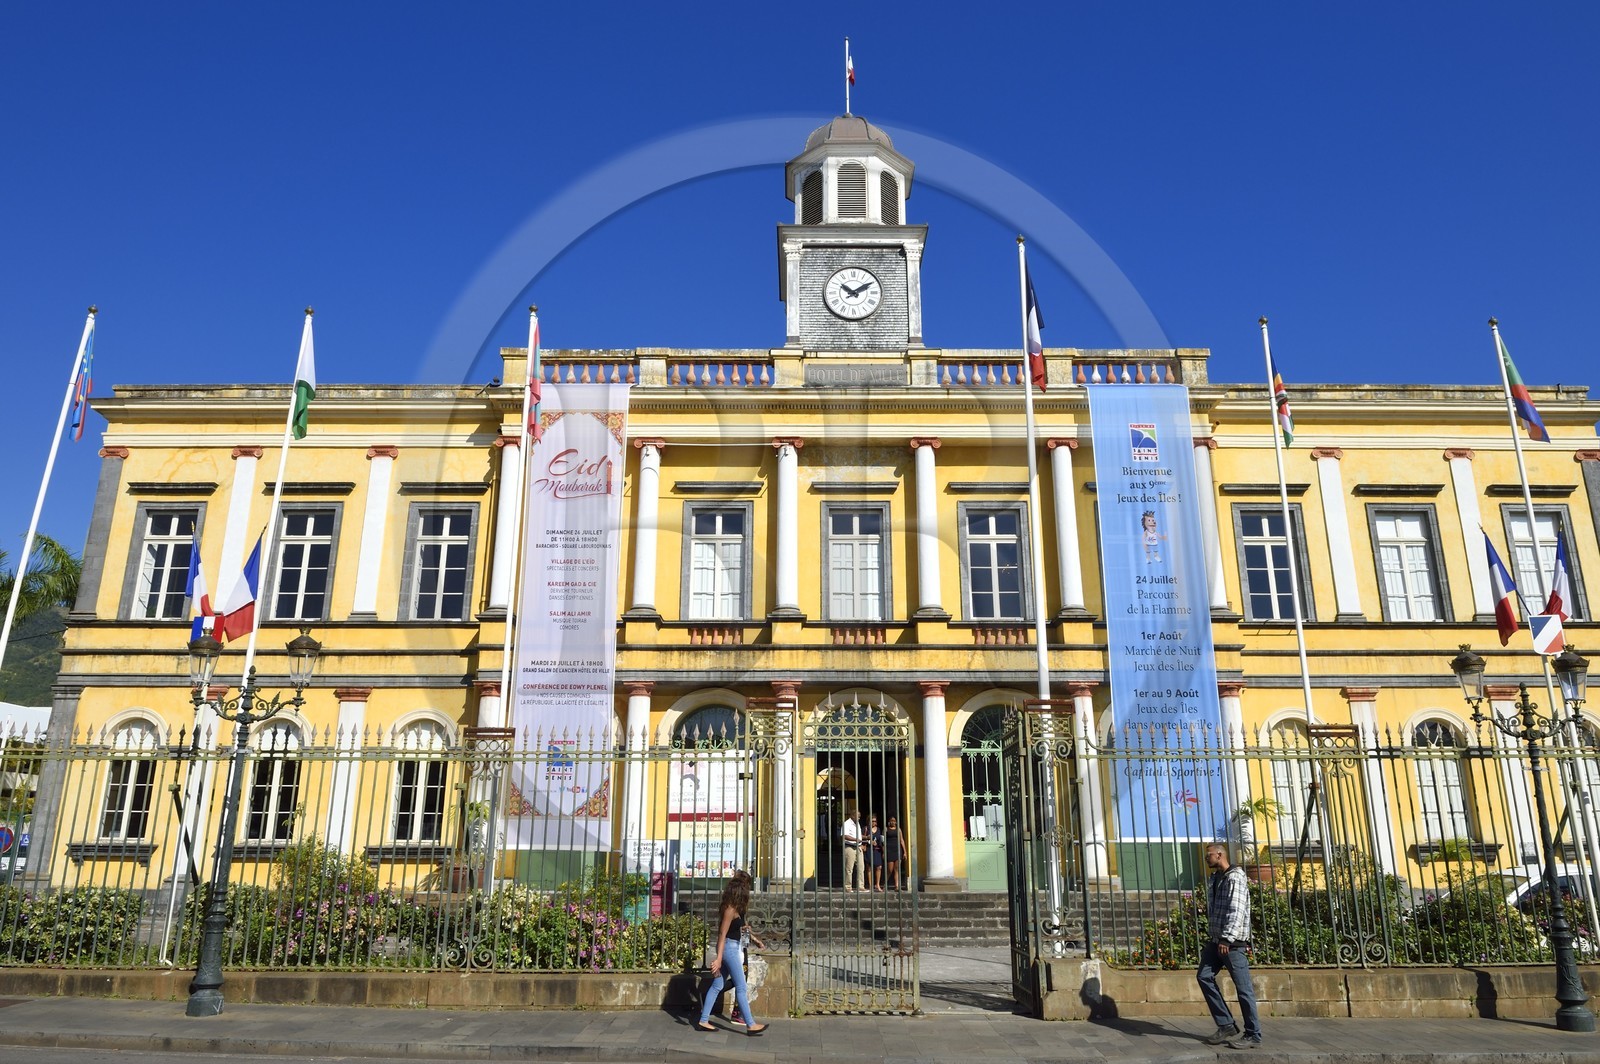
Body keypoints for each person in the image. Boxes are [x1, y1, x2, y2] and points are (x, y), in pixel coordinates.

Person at [1197, 841, 1261, 1050]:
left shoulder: (1236, 878)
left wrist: (1227, 938)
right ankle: (1226, 1024)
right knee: (1204, 976)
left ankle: (1253, 1034)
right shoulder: (1216, 878)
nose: (1206, 859)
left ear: (1219, 855)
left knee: (1243, 989)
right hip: (1217, 940)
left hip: (1232, 943)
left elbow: (1237, 909)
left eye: (1209, 856)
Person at [695, 871, 768, 1035]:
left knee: (717, 985)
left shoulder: (739, 908)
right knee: (741, 987)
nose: (747, 893)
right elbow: (722, 934)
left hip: (733, 947)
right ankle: (750, 1024)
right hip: (729, 949)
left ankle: (703, 1020)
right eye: (745, 890)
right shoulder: (730, 908)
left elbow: (742, 929)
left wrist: (755, 940)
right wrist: (719, 959)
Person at [841, 808, 865, 892]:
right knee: (849, 868)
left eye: (859, 817)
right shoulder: (846, 824)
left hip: (858, 847)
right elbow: (844, 835)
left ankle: (860, 886)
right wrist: (855, 839)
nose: (859, 818)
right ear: (852, 815)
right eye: (858, 816)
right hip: (849, 847)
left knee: (861, 867)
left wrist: (865, 838)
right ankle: (848, 887)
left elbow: (858, 836)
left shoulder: (857, 824)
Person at [883, 815, 909, 891]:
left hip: (897, 850)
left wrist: (905, 852)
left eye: (894, 821)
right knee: (890, 869)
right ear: (889, 821)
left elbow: (902, 840)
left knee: (897, 869)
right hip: (889, 850)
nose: (893, 822)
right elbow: (883, 841)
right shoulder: (886, 829)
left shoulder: (898, 830)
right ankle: (885, 884)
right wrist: (884, 852)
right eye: (891, 820)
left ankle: (896, 886)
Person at [865, 814, 886, 891]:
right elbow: (861, 838)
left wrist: (883, 851)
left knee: (879, 867)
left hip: (877, 850)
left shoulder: (879, 829)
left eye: (875, 821)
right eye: (872, 821)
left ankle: (877, 884)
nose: (874, 823)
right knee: (869, 868)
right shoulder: (866, 829)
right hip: (869, 849)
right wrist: (869, 841)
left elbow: (881, 841)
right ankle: (870, 885)